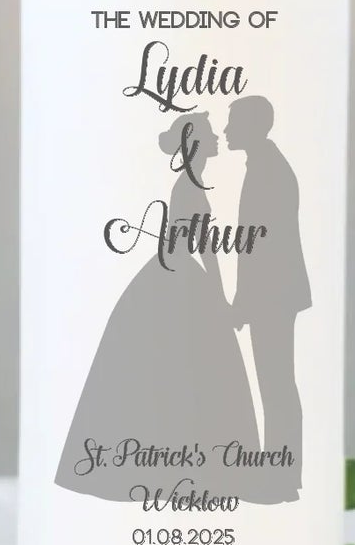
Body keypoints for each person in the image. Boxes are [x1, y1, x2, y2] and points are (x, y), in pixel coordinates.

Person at [55, 113, 260, 501]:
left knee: (175, 372)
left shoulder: (189, 184)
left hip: (174, 275)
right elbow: (206, 247)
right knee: (182, 370)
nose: (217, 137)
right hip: (181, 278)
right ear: (196, 144)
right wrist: (220, 297)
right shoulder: (191, 187)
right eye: (210, 134)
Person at [225, 95, 310, 500]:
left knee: (276, 385)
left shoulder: (270, 171)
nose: (227, 130)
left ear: (253, 126)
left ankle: (280, 477)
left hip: (272, 296)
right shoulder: (265, 166)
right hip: (272, 295)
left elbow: (263, 246)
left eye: (233, 123)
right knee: (276, 384)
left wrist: (244, 301)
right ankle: (280, 475)